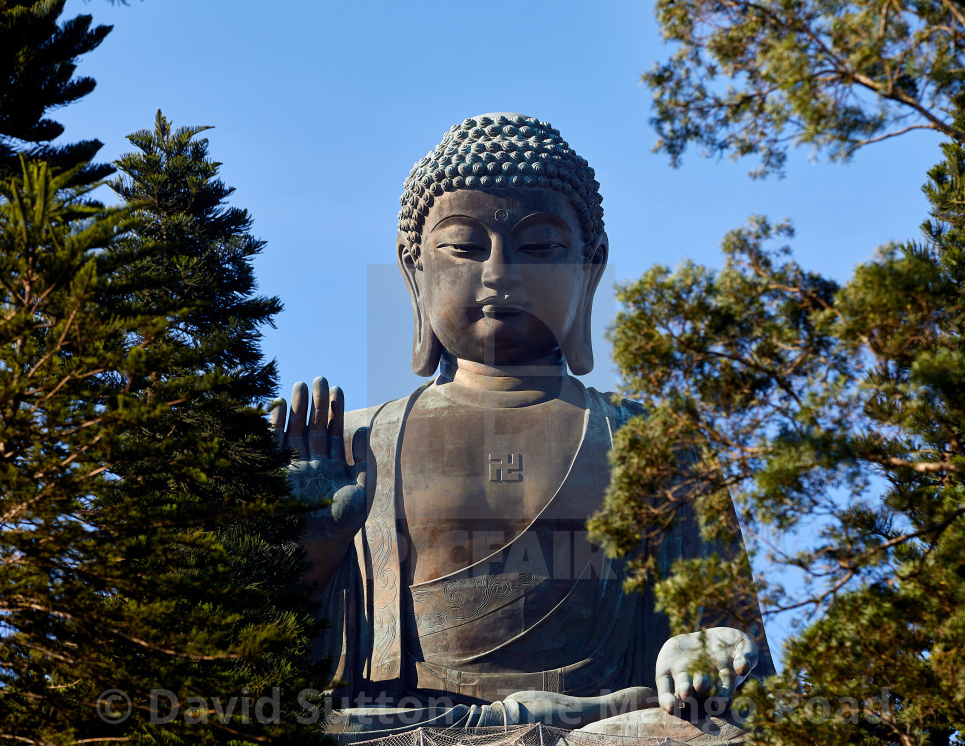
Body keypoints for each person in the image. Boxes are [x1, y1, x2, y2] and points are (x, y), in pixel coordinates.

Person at [269, 114, 771, 741]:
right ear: (413, 270)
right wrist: (309, 549)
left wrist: (702, 651)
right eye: (463, 248)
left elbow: (733, 652)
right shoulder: (349, 446)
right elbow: (262, 666)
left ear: (590, 268)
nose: (499, 274)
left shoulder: (659, 444)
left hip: (604, 729)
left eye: (538, 248)